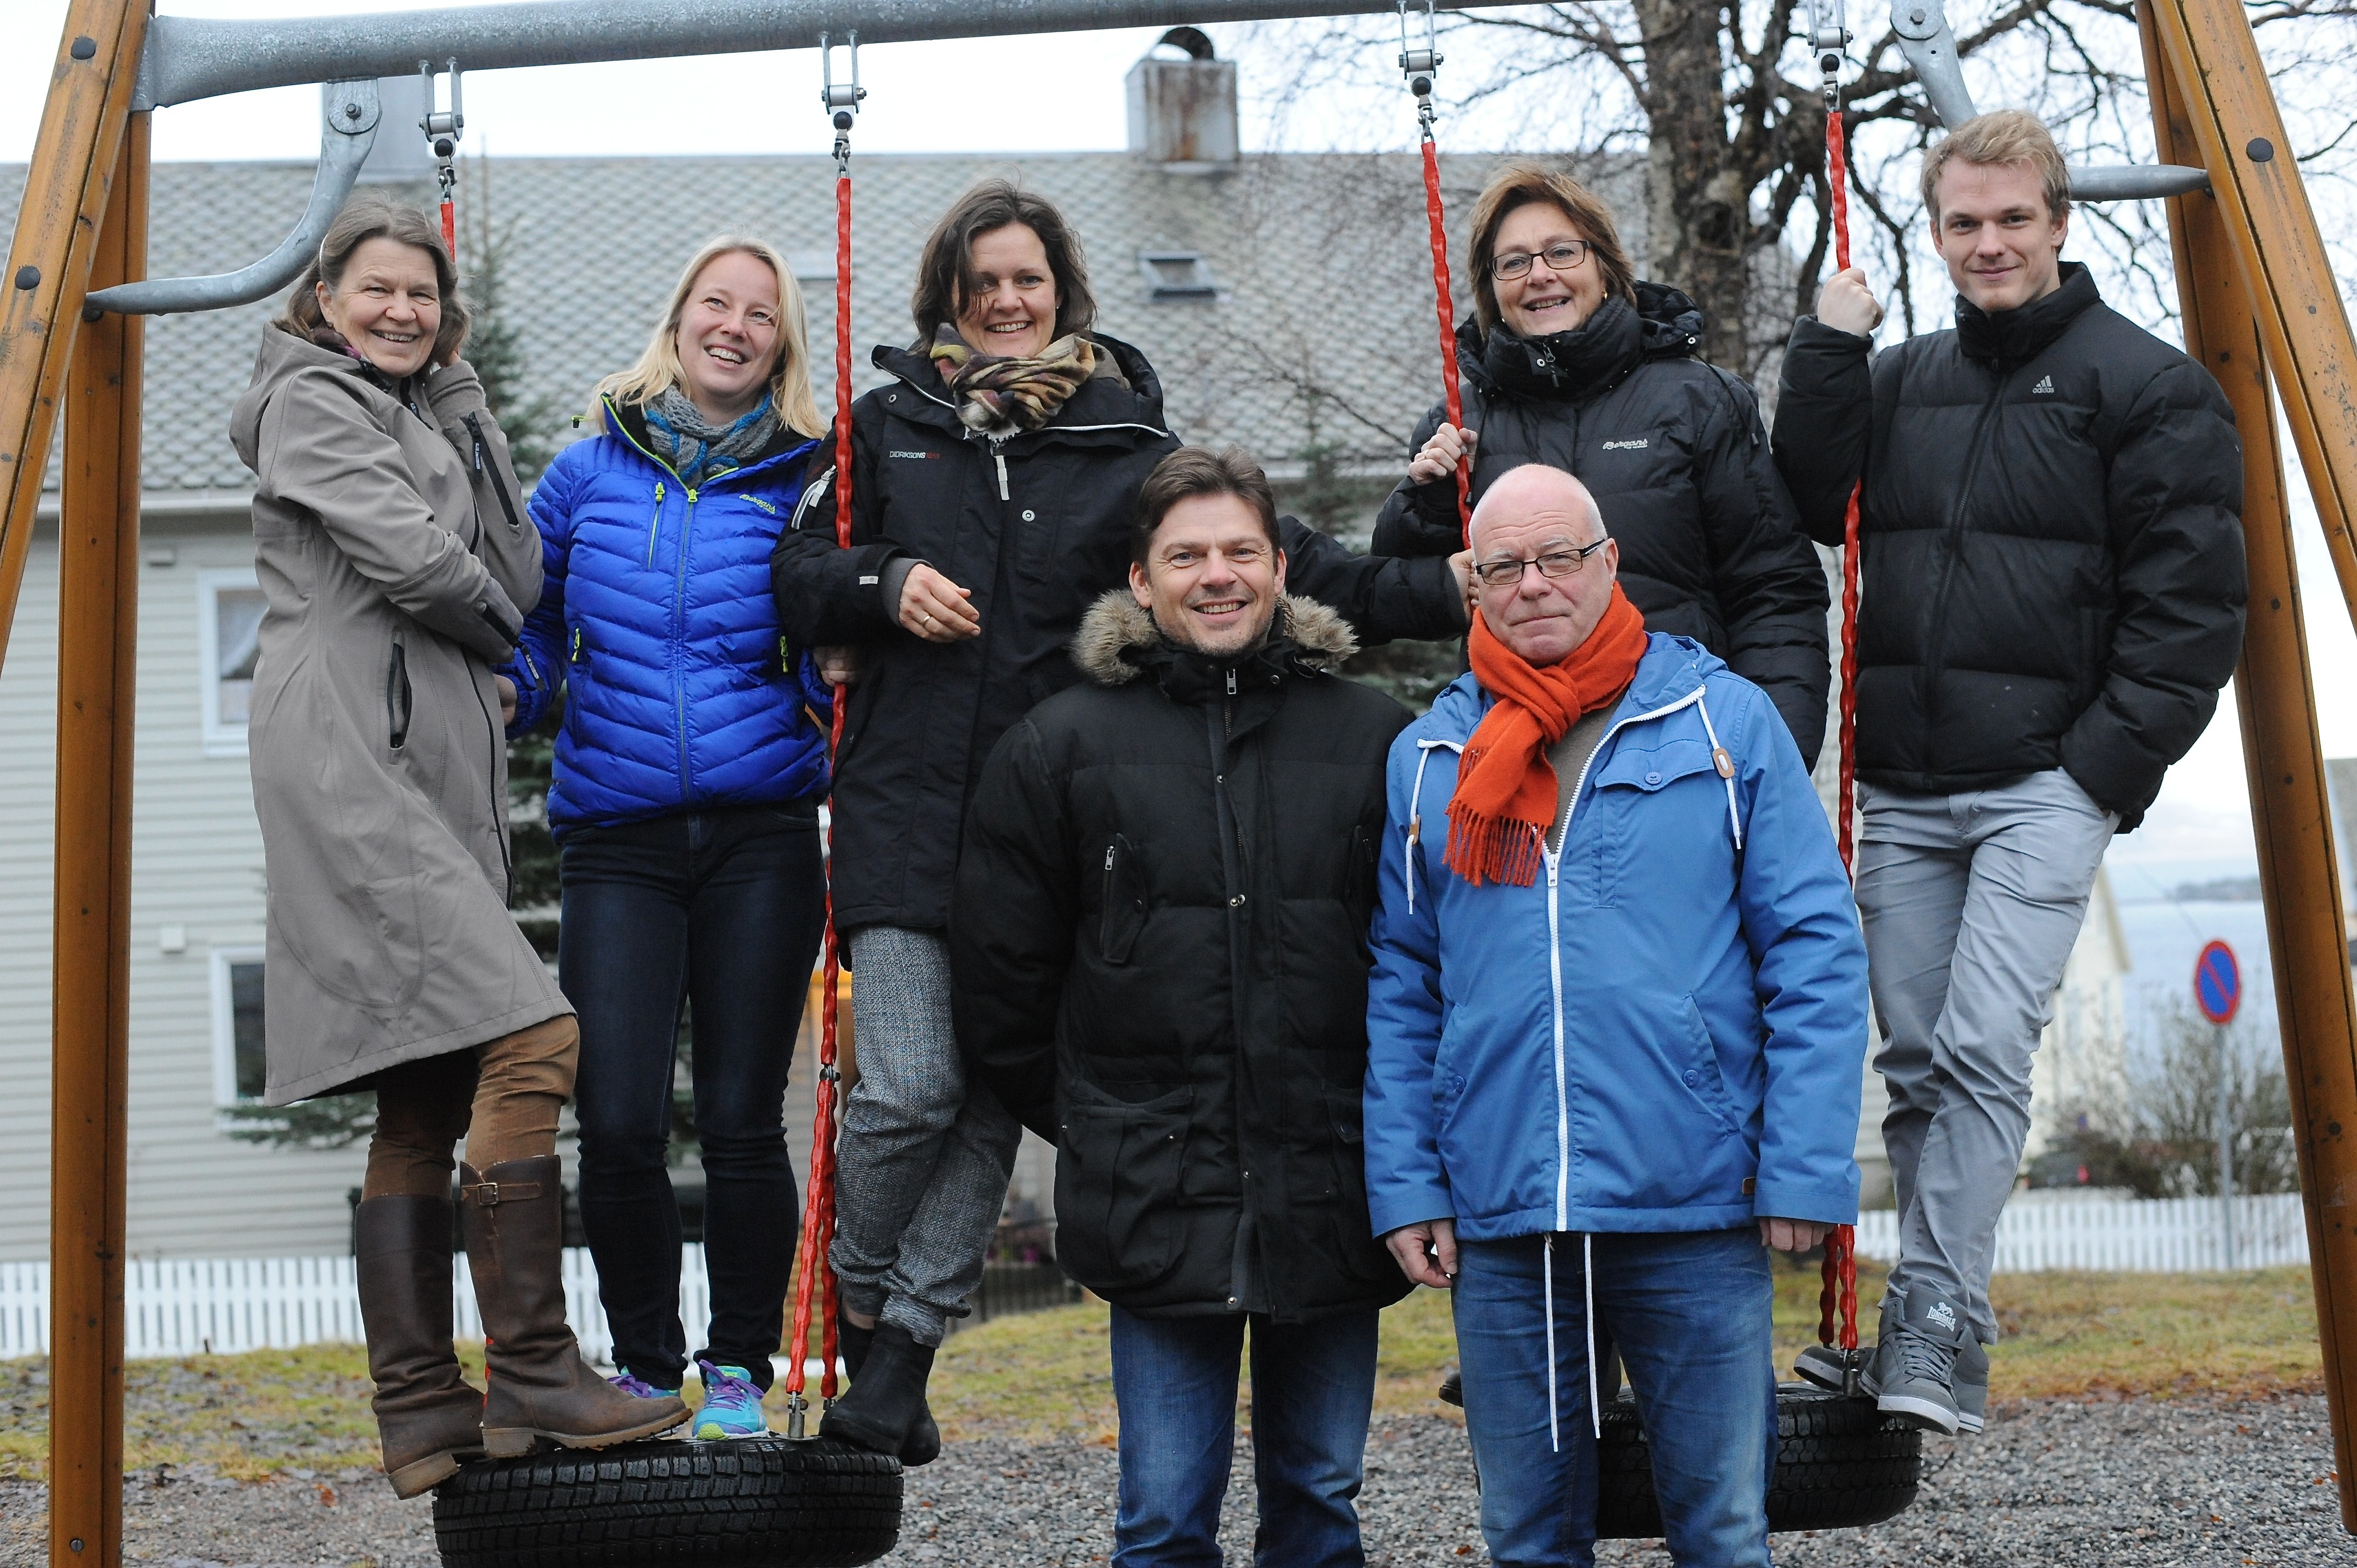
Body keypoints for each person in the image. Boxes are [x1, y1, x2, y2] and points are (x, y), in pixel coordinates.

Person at [770, 178, 1473, 1463]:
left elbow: (1290, 563)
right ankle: (859, 1290)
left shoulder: (1127, 442)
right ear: (949, 295)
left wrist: (1463, 584)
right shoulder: (884, 431)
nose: (1005, 300)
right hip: (913, 812)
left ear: (1063, 291)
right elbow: (798, 573)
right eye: (982, 281)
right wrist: (882, 583)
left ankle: (901, 1356)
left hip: (1050, 826)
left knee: (990, 1097)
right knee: (913, 1086)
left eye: (1027, 279)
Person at [1771, 110, 2247, 1433]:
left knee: (1985, 1041)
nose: (1989, 243)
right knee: (1918, 1056)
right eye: (1963, 222)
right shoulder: (1897, 377)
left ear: (2060, 222)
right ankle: (1948, 1330)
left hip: (2045, 782)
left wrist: (2098, 769)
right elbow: (1810, 497)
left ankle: (1928, 1313)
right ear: (1936, 231)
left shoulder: (2145, 386)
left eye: (2012, 219)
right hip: (1907, 787)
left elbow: (2194, 608)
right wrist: (1827, 344)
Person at [228, 195, 686, 1498]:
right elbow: (432, 573)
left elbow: (516, 564)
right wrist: (491, 630)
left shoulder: (422, 408)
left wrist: (467, 404)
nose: (399, 311)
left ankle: (425, 1404)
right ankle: (535, 1364)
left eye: (421, 296)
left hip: (423, 767)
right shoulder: (309, 403)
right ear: (322, 302)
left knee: (425, 1084)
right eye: (374, 290)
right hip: (350, 760)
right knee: (535, 1034)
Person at [1363, 463, 1867, 1566]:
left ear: (1610, 566)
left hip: (1692, 1202)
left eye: (1560, 558)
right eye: (1505, 566)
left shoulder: (1721, 721)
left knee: (1722, 1532)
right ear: (1476, 587)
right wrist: (1404, 1181)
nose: (1535, 584)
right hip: (1506, 1213)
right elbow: (1403, 982)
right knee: (1529, 1537)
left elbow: (1816, 953)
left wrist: (1804, 1168)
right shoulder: (1429, 760)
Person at [954, 445, 1413, 1567]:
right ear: (1142, 578)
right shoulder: (1061, 745)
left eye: (1240, 552)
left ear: (1281, 566)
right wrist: (1102, 1117)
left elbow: (1424, 956)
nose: (1218, 576)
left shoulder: (1375, 737)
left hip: (1329, 1173)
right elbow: (1003, 981)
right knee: (1162, 1519)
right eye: (1187, 555)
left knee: (1318, 1502)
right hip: (1151, 1178)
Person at [500, 238, 831, 1440]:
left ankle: (736, 1369)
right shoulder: (586, 473)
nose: (734, 327)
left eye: (760, 314)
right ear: (678, 317)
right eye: (715, 304)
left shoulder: (810, 483)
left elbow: (840, 615)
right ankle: (644, 1366)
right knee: (624, 1115)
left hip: (762, 830)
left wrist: (834, 690)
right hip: (617, 838)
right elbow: (529, 620)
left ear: (780, 342)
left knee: (743, 1114)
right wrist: (516, 693)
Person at [1372, 160, 1831, 766]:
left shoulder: (1697, 401)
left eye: (1561, 252)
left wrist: (1772, 758)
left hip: (1680, 742)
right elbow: (1399, 596)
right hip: (1520, 751)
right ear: (1492, 290)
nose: (1538, 276)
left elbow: (1772, 590)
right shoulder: (1461, 423)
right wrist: (1426, 501)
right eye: (1513, 262)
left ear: (1605, 268)